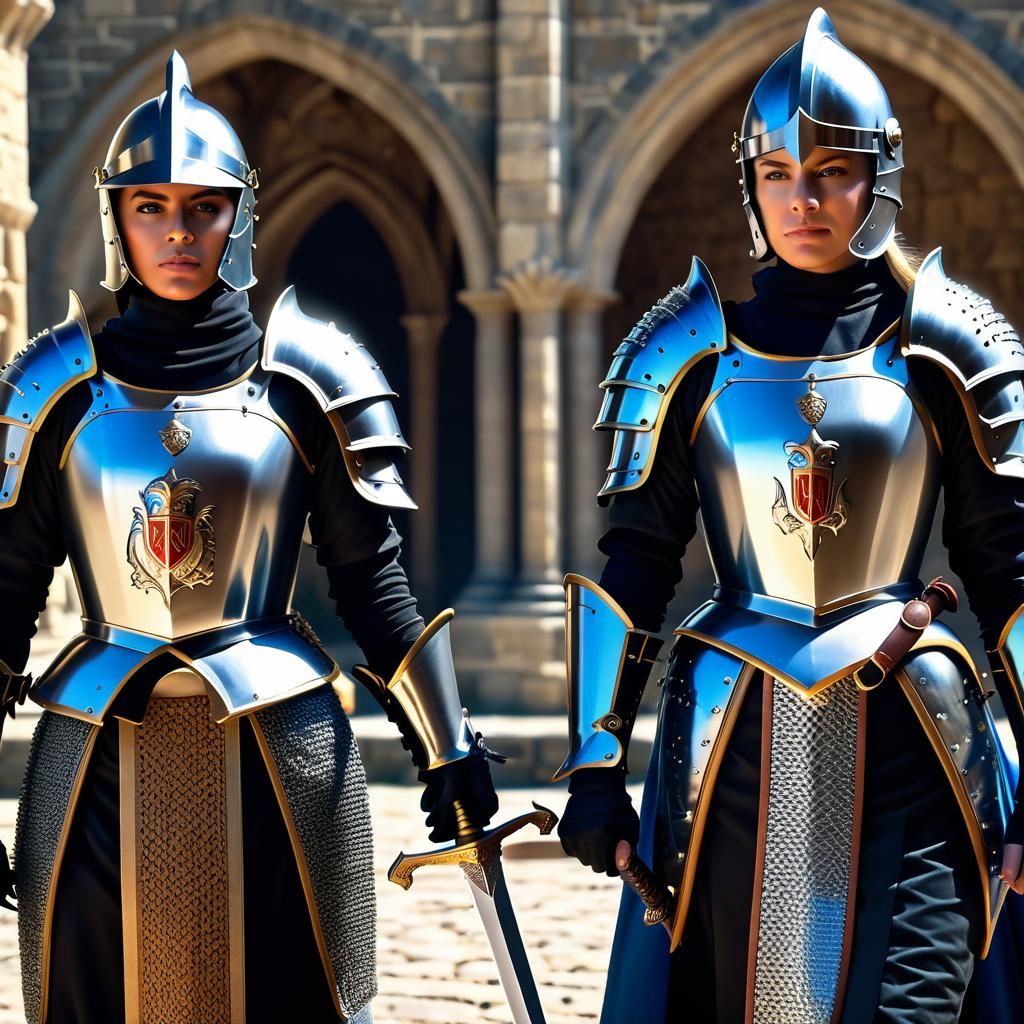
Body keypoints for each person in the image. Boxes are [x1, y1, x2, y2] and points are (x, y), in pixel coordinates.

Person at [0, 51, 498, 1024]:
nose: (177, 231)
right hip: (96, 758)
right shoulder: (54, 388)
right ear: (117, 218)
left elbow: (372, 582)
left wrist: (449, 744)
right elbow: (6, 591)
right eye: (151, 207)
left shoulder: (309, 378)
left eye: (203, 207)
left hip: (280, 753)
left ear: (239, 215)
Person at [555, 9, 1024, 1023]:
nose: (802, 199)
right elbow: (634, 563)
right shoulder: (683, 354)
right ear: (751, 187)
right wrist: (595, 762)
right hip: (735, 737)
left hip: (917, 734)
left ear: (877, 180)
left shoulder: (951, 345)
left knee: (916, 1000)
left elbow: (1010, 566)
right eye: (777, 174)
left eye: (830, 172)